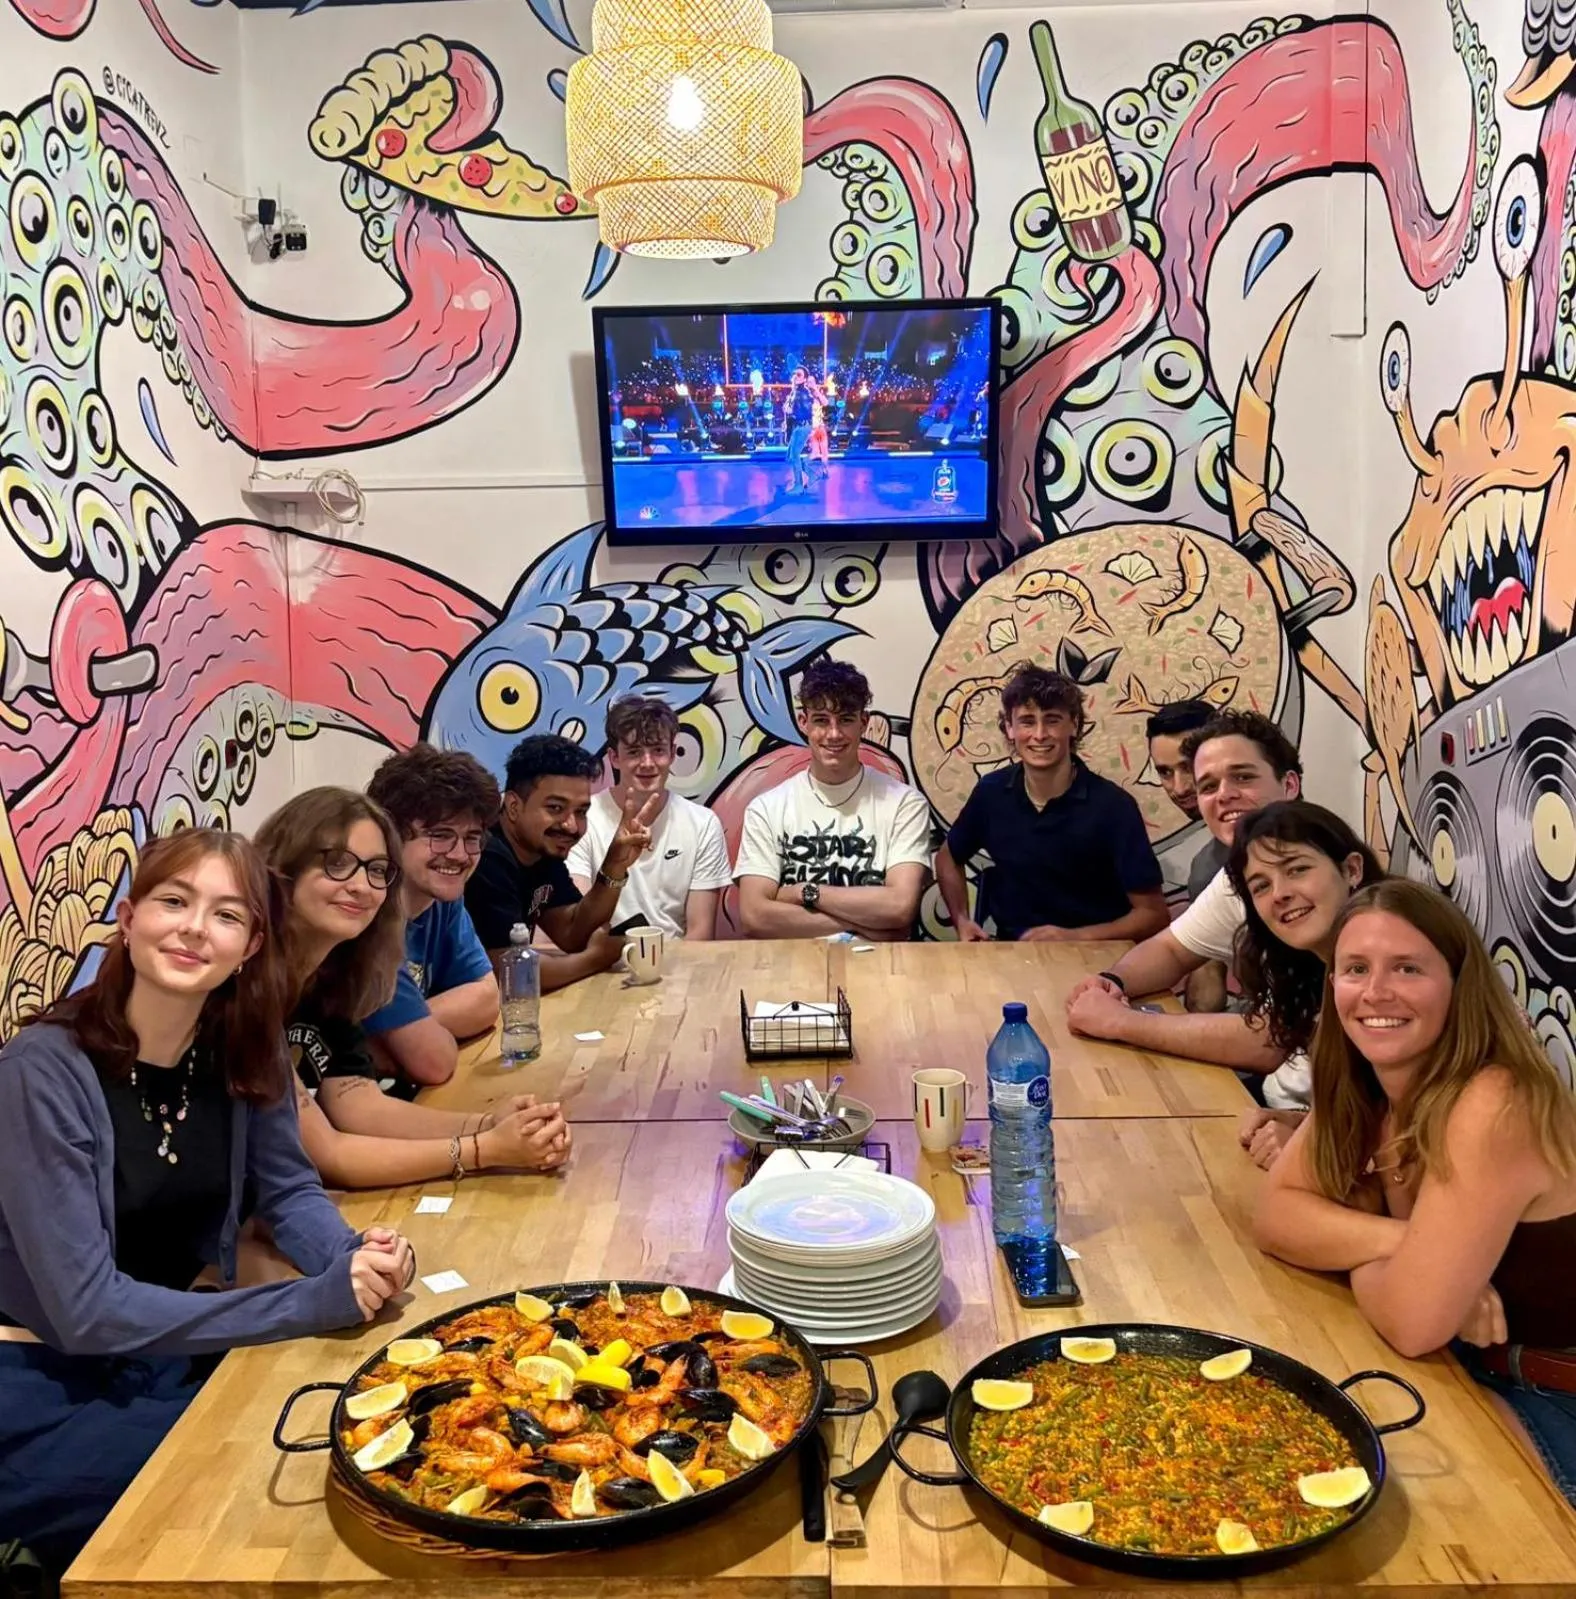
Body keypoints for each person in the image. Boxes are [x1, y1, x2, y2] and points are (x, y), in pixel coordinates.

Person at [0, 830, 411, 1574]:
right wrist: (311, 1300)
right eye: (174, 901)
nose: (194, 928)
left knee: (347, 1427)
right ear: (129, 919)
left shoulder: (245, 1045)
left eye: (226, 914)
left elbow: (289, 1190)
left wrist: (355, 1257)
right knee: (248, 1488)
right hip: (39, 1377)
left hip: (166, 1347)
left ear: (250, 945)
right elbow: (84, 1312)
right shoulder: (42, 1071)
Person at [1253, 880, 1576, 1509]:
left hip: (1551, 1396)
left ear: (1459, 985)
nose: (1376, 992)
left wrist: (1377, 1251)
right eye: (1356, 969)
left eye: (1407, 968)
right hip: (1468, 1367)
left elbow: (1411, 1322)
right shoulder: (1369, 1077)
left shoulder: (1495, 1099)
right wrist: (1407, 1244)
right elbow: (1276, 1213)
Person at [256, 789, 571, 1188]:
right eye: (337, 864)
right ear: (284, 867)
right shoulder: (248, 986)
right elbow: (331, 1154)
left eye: (376, 870)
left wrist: (492, 1124)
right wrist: (486, 1149)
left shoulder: (337, 974)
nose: (361, 886)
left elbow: (359, 1106)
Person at [1063, 710, 1303, 1078]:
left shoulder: (1318, 873)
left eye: (1243, 777)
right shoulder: (1240, 871)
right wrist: (1111, 981)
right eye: (1208, 786)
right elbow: (1173, 949)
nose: (1224, 795)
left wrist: (1119, 1021)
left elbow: (1272, 1040)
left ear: (1289, 785)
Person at [936, 665, 1168, 945]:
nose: (1040, 734)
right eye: (1027, 721)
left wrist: (1074, 937)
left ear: (1074, 725)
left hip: (1097, 955)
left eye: (1052, 720)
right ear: (1009, 728)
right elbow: (948, 856)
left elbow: (1153, 915)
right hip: (1013, 952)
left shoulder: (1114, 807)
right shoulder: (990, 793)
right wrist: (962, 920)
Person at [1225, 801, 1384, 1168]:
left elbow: (1420, 1130)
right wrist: (1303, 1123)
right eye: (1261, 886)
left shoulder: (1395, 961)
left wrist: (1311, 1148)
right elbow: (1365, 1109)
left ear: (1352, 869)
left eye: (1296, 869)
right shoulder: (1315, 968)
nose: (1279, 894)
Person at [735, 658, 932, 941]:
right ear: (803, 723)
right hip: (791, 964)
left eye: (846, 720)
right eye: (821, 720)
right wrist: (867, 924)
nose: (834, 734)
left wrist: (805, 892)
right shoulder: (766, 809)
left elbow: (899, 908)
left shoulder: (905, 804)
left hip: (877, 963)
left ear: (863, 723)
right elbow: (754, 917)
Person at [464, 735, 661, 992]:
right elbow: (509, 972)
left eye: (581, 812)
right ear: (513, 806)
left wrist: (615, 865)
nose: (571, 826)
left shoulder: (542, 850)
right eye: (555, 808)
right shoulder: (485, 856)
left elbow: (572, 933)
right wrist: (594, 959)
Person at [360, 744, 501, 1091]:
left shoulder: (443, 899)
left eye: (472, 838)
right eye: (440, 836)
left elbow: (487, 998)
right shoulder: (365, 918)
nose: (460, 855)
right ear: (391, 835)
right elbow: (430, 1062)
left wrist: (405, 1029)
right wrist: (414, 1036)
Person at [567, 696, 732, 940]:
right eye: (634, 752)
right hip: (600, 957)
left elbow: (700, 932)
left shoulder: (703, 824)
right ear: (614, 757)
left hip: (678, 958)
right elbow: (577, 923)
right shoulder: (583, 820)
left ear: (672, 754)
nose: (647, 763)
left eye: (658, 751)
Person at [1147, 698, 1232, 1012]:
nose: (1179, 787)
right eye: (1165, 772)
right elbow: (1206, 963)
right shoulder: (1206, 867)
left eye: (1188, 767)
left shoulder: (1302, 845)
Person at [785, 367, 818, 494]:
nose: (795, 376)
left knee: (794, 456)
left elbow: (805, 413)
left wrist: (791, 412)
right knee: (791, 455)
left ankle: (798, 485)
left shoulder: (802, 393)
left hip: (802, 427)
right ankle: (812, 475)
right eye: (794, 374)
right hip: (798, 427)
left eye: (799, 375)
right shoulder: (795, 392)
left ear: (804, 379)